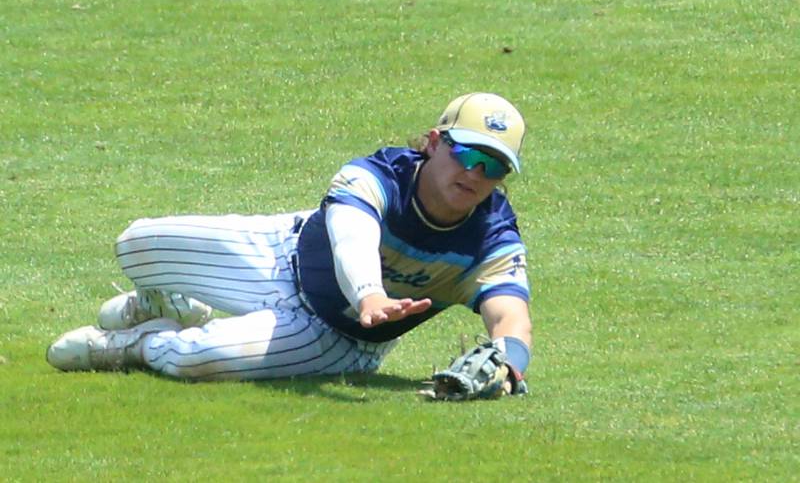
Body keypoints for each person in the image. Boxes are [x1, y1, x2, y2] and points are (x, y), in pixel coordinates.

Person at [47, 92, 532, 388]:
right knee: (137, 242)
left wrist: (510, 367)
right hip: (281, 250)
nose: (475, 172)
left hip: (335, 336)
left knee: (190, 358)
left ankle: (133, 346)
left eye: (494, 166)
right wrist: (370, 293)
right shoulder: (377, 174)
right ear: (432, 141)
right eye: (467, 152)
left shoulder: (491, 239)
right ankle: (163, 305)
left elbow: (511, 315)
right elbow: (351, 237)